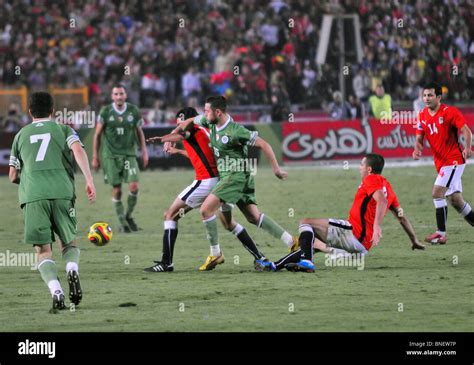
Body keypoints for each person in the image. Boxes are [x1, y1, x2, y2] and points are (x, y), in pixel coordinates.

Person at [162, 96, 298, 270]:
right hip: (237, 177)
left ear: (218, 112)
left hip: (234, 177)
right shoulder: (209, 121)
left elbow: (264, 144)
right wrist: (169, 138)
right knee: (251, 217)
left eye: (207, 110)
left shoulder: (235, 130)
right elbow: (189, 121)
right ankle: (291, 241)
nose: (204, 114)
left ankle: (215, 253)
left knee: (206, 210)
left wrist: (276, 169)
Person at [143, 107, 268, 272]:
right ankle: (260, 257)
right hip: (223, 181)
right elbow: (199, 155)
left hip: (206, 182)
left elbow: (182, 134)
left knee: (170, 215)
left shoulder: (192, 129)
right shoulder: (209, 130)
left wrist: (164, 138)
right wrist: (178, 150)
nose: (180, 126)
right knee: (229, 223)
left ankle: (167, 263)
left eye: (181, 122)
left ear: (190, 120)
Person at [256, 154, 425, 272]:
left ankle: (309, 260)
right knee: (310, 242)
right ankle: (275, 266)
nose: (359, 167)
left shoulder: (371, 179)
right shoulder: (388, 187)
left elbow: (381, 200)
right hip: (363, 246)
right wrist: (414, 240)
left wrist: (377, 226)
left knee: (305, 223)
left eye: (361, 164)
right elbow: (401, 216)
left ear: (369, 169)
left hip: (353, 233)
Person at [8, 92, 96, 312]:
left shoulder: (20, 135)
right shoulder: (63, 129)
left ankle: (57, 291)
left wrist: (30, 182)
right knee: (69, 243)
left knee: (43, 251)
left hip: (33, 196)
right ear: (53, 110)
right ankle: (72, 268)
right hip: (62, 192)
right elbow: (77, 150)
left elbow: (12, 175)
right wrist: (89, 179)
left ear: (30, 112)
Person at [413, 83, 474, 244]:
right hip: (441, 163)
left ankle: (440, 234)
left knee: (436, 193)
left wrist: (467, 148)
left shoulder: (450, 112)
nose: (426, 98)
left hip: (453, 160)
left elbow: (466, 131)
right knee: (455, 200)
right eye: (424, 95)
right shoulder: (422, 115)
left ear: (439, 97)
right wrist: (417, 148)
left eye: (430, 95)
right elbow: (419, 137)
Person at [92, 84, 149, 233]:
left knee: (134, 186)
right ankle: (123, 223)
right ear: (112, 96)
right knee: (117, 190)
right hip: (110, 156)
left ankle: (127, 216)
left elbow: (139, 131)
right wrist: (95, 157)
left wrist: (144, 150)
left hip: (129, 154)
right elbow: (97, 135)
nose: (119, 96)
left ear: (125, 95)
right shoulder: (105, 112)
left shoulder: (133, 111)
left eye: (121, 94)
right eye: (116, 94)